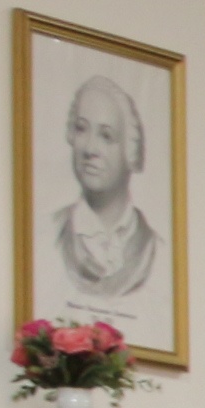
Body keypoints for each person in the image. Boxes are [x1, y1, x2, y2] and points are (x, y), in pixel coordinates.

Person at [51, 74, 159, 304]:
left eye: (106, 136)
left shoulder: (159, 251)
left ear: (130, 150)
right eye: (81, 129)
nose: (90, 149)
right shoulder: (48, 234)